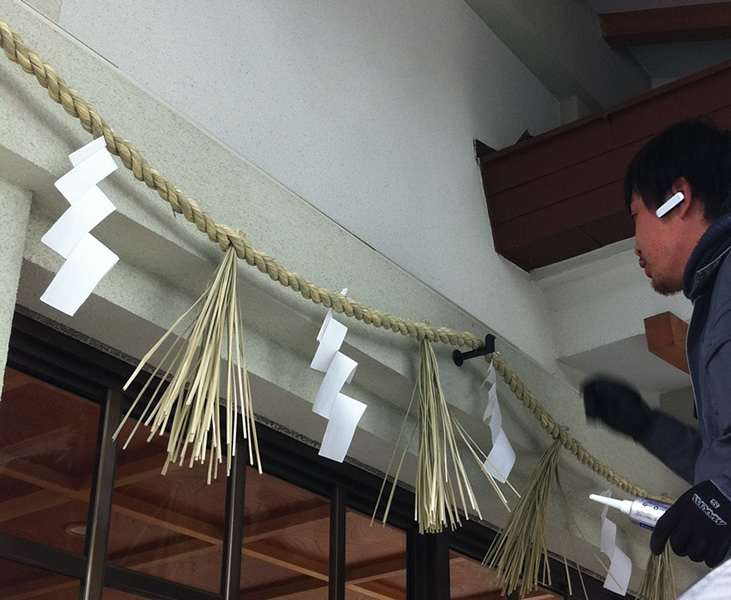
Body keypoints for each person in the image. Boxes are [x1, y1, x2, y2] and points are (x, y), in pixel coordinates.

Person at [582, 118, 731, 569]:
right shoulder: (714, 297)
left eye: (636, 217)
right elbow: (719, 459)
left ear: (677, 199)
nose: (635, 246)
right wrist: (647, 426)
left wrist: (723, 497)